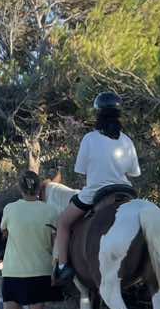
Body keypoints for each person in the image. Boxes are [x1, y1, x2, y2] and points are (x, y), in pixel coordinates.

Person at [52, 92, 140, 285]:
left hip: (96, 192)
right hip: (125, 190)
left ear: (97, 113)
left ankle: (63, 267)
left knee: (63, 222)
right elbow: (134, 172)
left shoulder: (89, 139)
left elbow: (80, 170)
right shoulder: (127, 140)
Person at [0, 170, 60, 309]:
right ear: (39, 188)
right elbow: (55, 242)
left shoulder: (10, 209)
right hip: (41, 271)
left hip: (14, 270)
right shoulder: (51, 211)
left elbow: (4, 232)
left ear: (20, 188)